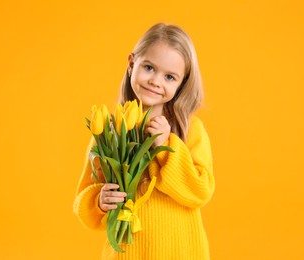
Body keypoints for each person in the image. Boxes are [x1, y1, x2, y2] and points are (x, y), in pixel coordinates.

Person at [73, 23, 215, 260]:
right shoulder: (108, 131)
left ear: (181, 84)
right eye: (149, 67)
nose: (156, 81)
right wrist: (99, 200)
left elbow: (201, 192)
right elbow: (84, 201)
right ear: (131, 64)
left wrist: (167, 146)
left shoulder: (190, 130)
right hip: (127, 253)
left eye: (170, 77)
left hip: (181, 252)